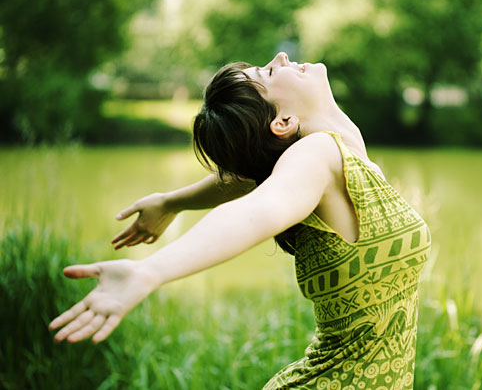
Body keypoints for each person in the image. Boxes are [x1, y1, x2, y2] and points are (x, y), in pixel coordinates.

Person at [49, 52, 431, 389]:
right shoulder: (318, 154)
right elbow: (261, 206)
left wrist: (172, 201)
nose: (281, 57)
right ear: (283, 121)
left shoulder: (343, 152)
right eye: (267, 72)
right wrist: (149, 271)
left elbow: (248, 179)